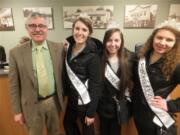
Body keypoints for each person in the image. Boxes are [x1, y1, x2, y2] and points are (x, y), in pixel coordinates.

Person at [9, 12, 64, 135]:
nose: (37, 29)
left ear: (47, 28)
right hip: (31, 105)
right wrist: (17, 111)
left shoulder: (59, 48)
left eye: (41, 25)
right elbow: (13, 85)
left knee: (55, 132)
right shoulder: (15, 53)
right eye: (33, 25)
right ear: (27, 28)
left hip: (53, 102)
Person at [132, 25, 180, 135]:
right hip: (139, 114)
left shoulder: (176, 66)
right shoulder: (141, 56)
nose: (162, 43)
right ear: (153, 38)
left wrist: (170, 105)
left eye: (169, 40)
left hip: (157, 118)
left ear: (175, 43)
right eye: (159, 37)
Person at [62, 16, 102, 135]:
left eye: (84, 30)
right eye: (77, 28)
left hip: (85, 102)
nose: (80, 33)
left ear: (89, 33)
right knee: (67, 123)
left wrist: (91, 113)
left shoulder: (93, 56)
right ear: (73, 29)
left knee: (87, 130)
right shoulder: (68, 48)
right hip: (72, 100)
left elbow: (96, 85)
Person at [97, 28, 134, 135]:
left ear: (121, 42)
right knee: (103, 130)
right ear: (104, 42)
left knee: (115, 131)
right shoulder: (98, 57)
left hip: (119, 107)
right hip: (102, 106)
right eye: (109, 40)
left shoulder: (130, 58)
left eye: (116, 40)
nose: (113, 44)